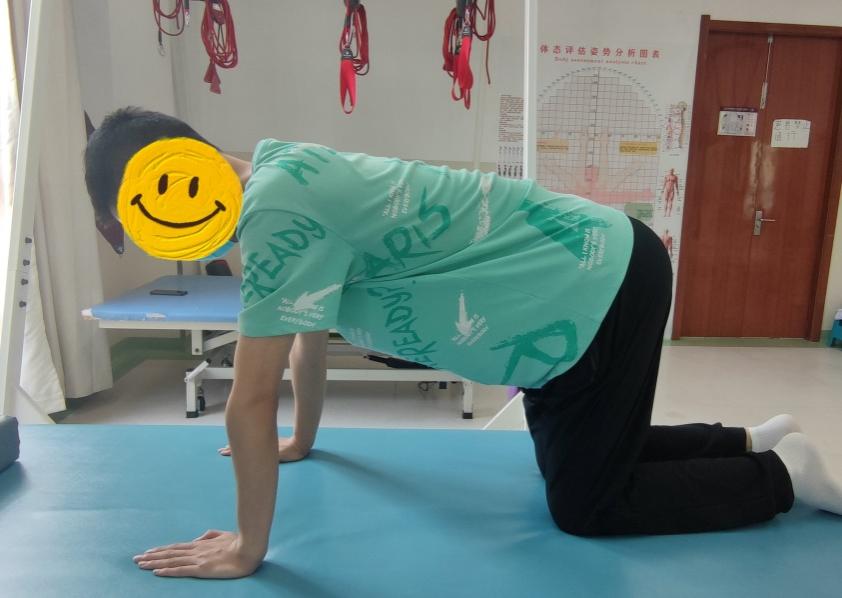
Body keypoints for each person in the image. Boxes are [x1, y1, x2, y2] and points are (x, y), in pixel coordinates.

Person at [84, 108, 842, 579]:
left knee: (589, 505)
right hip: (572, 299)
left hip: (592, 291)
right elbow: (304, 338)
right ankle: (747, 440)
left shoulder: (276, 216)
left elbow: (246, 401)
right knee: (578, 456)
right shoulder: (280, 173)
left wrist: (248, 547)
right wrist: (301, 441)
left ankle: (781, 476)